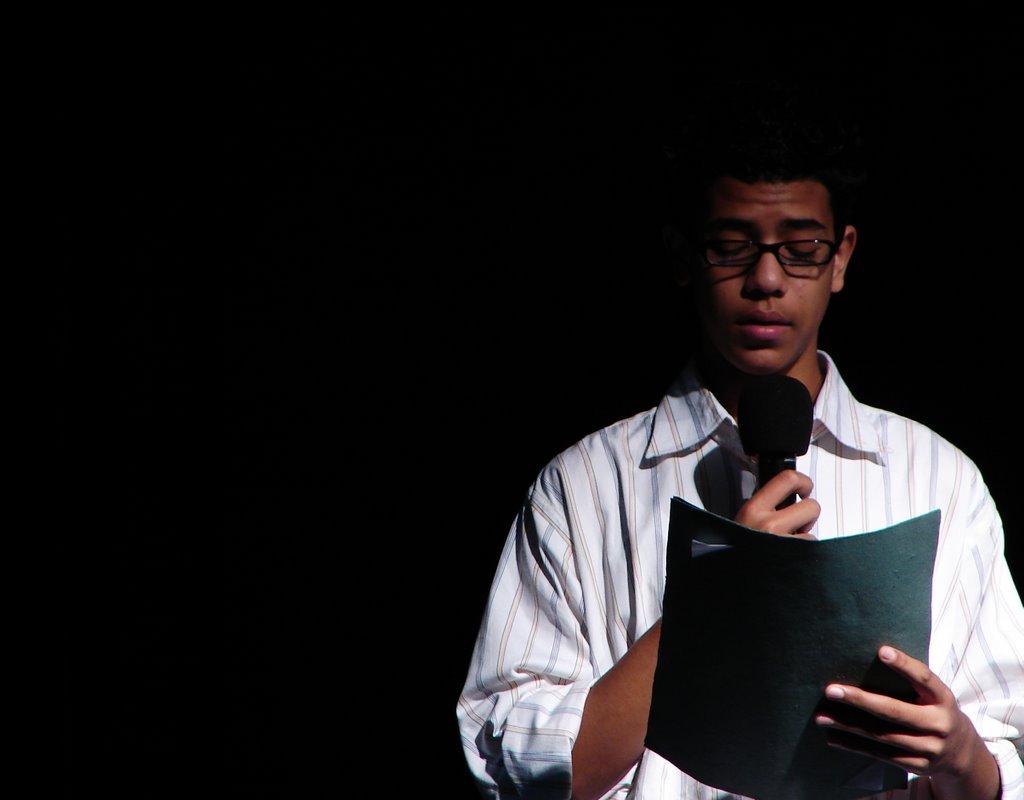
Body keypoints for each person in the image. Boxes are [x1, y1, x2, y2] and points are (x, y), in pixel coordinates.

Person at [456, 77, 1024, 799]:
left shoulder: (940, 479)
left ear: (841, 257)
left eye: (801, 248)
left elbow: (1003, 755)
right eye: (731, 247)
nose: (766, 279)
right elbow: (511, 770)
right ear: (682, 256)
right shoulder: (583, 486)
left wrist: (961, 755)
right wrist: (716, 602)